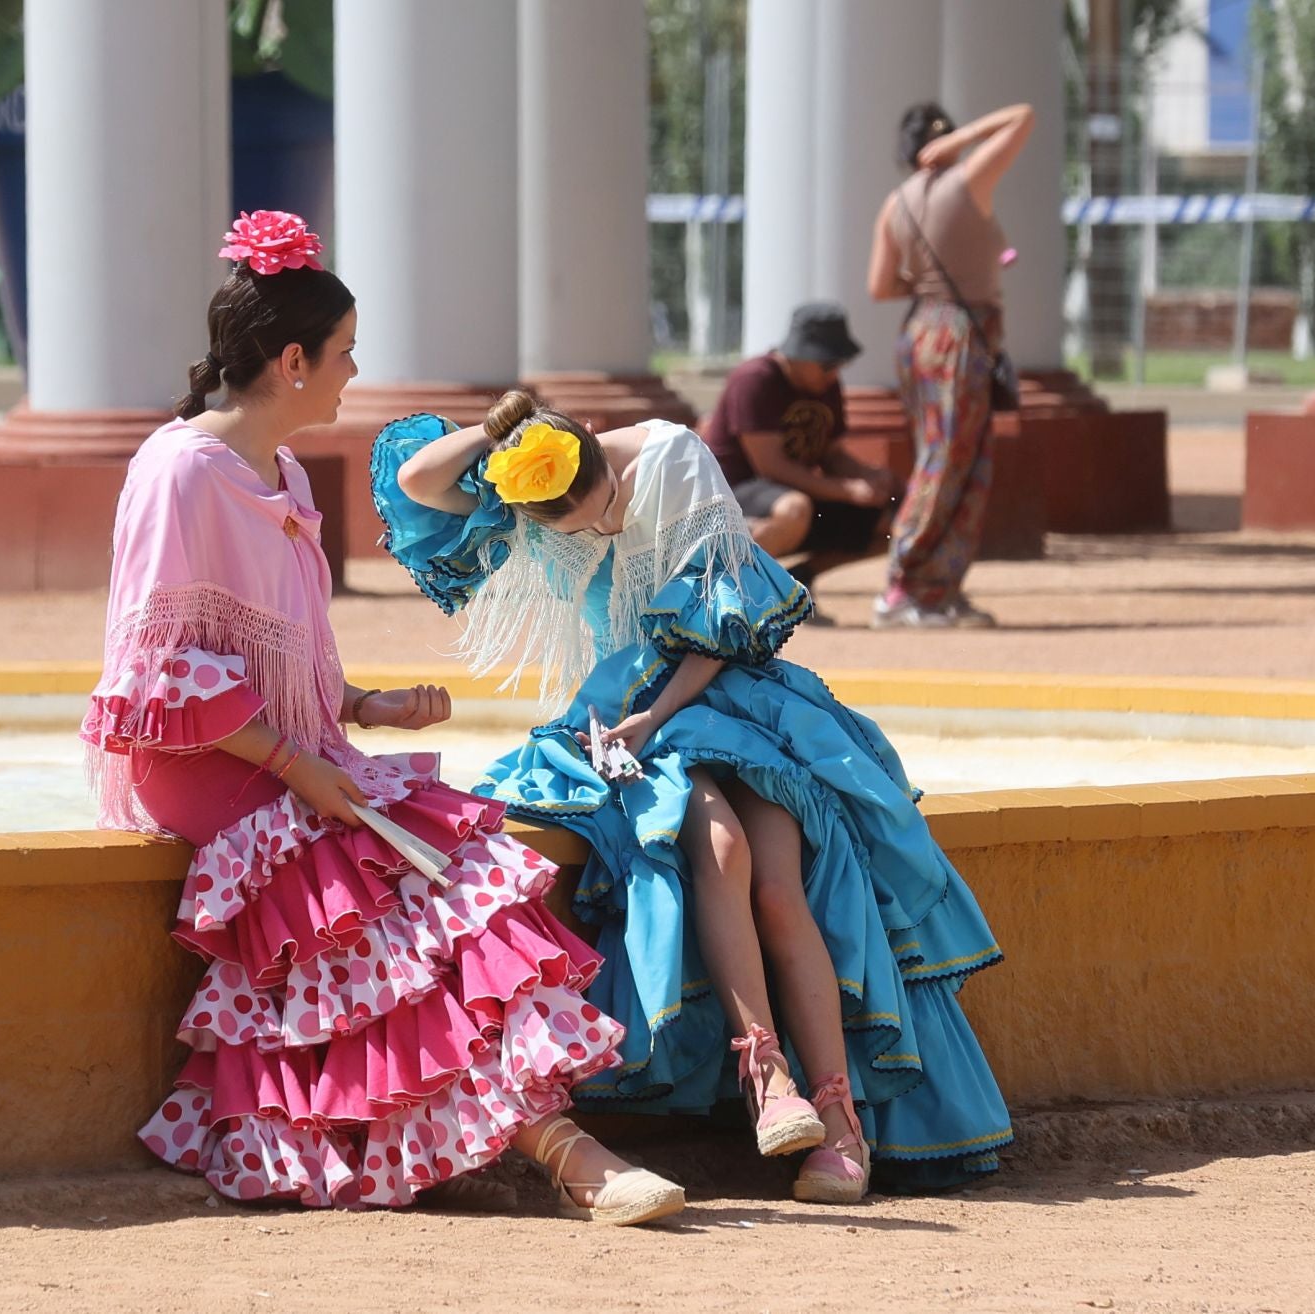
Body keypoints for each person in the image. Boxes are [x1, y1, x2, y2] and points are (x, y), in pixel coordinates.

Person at [83, 211, 685, 1227]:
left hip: (285, 755)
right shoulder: (180, 471)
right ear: (291, 360)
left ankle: (534, 1135)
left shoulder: (278, 474)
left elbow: (262, 658)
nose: (354, 373)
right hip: (214, 766)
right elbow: (156, 672)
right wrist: (299, 764)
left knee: (458, 873)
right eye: (345, 353)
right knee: (386, 886)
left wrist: (364, 707)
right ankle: (568, 1155)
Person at [373, 393, 1011, 1202]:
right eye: (569, 528)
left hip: (722, 691)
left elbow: (721, 623)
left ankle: (839, 1122)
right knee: (721, 848)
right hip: (620, 718)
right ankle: (765, 1076)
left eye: (601, 512)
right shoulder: (537, 477)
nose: (595, 533)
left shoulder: (676, 459)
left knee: (783, 885)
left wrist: (655, 719)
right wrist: (505, 423)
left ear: (609, 469)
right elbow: (422, 480)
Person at [866, 100, 1035, 629]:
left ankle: (936, 586)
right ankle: (906, 584)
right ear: (943, 143)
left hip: (920, 330)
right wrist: (965, 142)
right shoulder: (968, 180)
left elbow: (880, 286)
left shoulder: (896, 203)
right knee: (951, 460)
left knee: (946, 457)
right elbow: (1024, 117)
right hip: (963, 334)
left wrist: (928, 285)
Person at [702, 303, 900, 603]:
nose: (834, 372)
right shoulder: (754, 379)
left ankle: (796, 581)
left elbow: (831, 456)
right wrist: (847, 490)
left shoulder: (826, 385)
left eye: (838, 364)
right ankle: (721, 584)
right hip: (733, 494)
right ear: (799, 354)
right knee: (795, 508)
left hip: (796, 494)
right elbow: (770, 467)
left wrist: (869, 476)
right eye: (827, 364)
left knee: (895, 522)